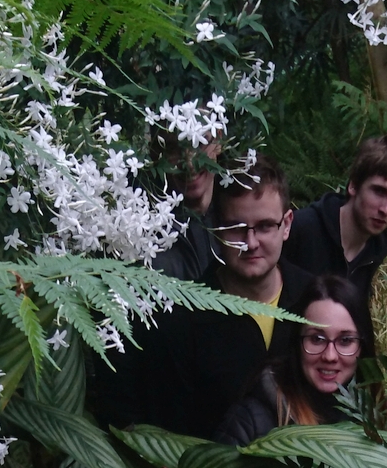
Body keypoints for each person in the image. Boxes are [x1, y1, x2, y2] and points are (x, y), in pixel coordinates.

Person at [130, 154, 312, 438]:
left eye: (265, 226)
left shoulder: (316, 302)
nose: (250, 243)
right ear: (215, 227)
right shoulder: (182, 323)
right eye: (235, 228)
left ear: (286, 224)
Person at [215, 274, 374, 447]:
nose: (330, 356)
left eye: (345, 341)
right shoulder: (249, 423)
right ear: (297, 342)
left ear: (363, 346)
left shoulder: (383, 421)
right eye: (317, 339)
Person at [286, 135, 387, 302]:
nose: (386, 209)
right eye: (379, 191)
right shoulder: (302, 227)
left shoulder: (378, 245)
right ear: (354, 185)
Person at [152, 130, 223, 283]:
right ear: (157, 152)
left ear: (219, 139)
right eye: (173, 147)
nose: (189, 164)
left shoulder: (243, 209)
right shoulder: (146, 234)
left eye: (200, 143)